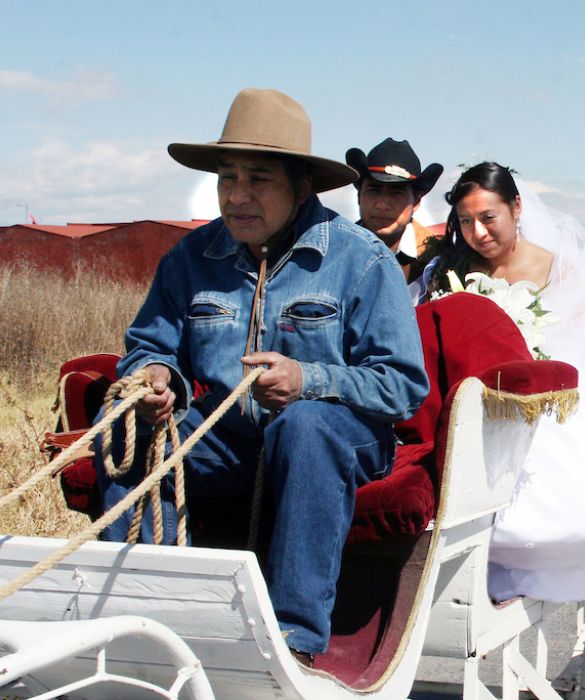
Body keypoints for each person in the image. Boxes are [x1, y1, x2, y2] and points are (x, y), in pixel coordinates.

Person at [93, 88, 429, 664]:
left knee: (305, 426)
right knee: (121, 419)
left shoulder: (361, 259)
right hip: (229, 439)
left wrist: (308, 379)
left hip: (340, 438)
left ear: (301, 186)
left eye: (259, 179)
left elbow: (401, 385)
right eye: (228, 178)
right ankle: (146, 612)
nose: (238, 195)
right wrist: (155, 379)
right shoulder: (188, 259)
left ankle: (292, 639)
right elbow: (152, 345)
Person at [425, 162, 585, 602]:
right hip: (468, 391)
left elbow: (581, 343)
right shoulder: (449, 270)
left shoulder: (559, 270)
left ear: (516, 208)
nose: (477, 232)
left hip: (543, 388)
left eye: (488, 218)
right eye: (465, 221)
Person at [345, 137, 444, 284]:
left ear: (416, 202)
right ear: (359, 195)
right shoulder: (335, 252)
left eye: (396, 193)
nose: (383, 205)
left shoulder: (438, 260)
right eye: (374, 190)